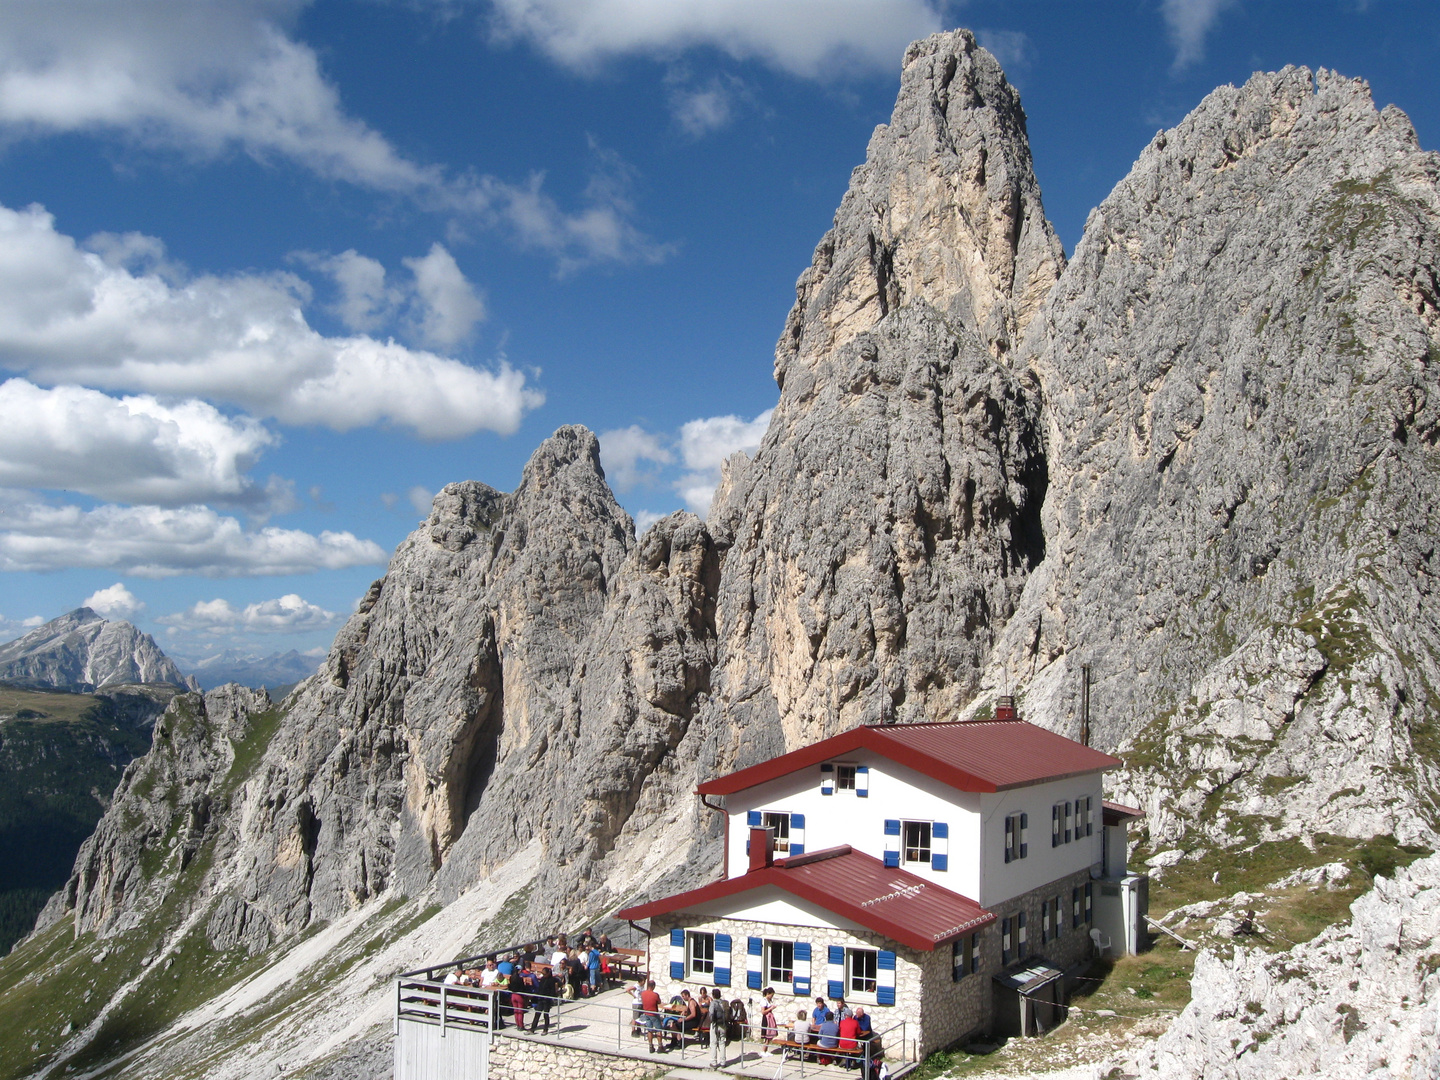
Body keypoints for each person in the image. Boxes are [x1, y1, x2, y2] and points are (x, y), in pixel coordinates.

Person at [529, 964, 558, 1035]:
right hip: (541, 999)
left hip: (547, 1000)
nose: (543, 975)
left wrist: (551, 997)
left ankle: (545, 1030)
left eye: (544, 974)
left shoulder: (552, 980)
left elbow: (553, 991)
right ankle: (532, 1029)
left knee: (546, 1015)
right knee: (537, 1014)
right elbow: (540, 988)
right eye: (543, 974)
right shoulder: (542, 979)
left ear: (548, 973)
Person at [639, 979, 663, 1053]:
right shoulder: (655, 995)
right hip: (654, 1014)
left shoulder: (643, 993)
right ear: (653, 986)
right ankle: (660, 1046)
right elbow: (659, 1002)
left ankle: (650, 1046)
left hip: (646, 1013)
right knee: (659, 1030)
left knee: (649, 1030)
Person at [709, 988, 730, 1067]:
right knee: (722, 1043)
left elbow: (711, 1014)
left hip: (715, 1025)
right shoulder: (724, 1003)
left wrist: (712, 1022)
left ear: (713, 995)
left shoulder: (713, 1003)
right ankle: (723, 1062)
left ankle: (713, 1062)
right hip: (723, 1025)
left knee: (713, 1043)